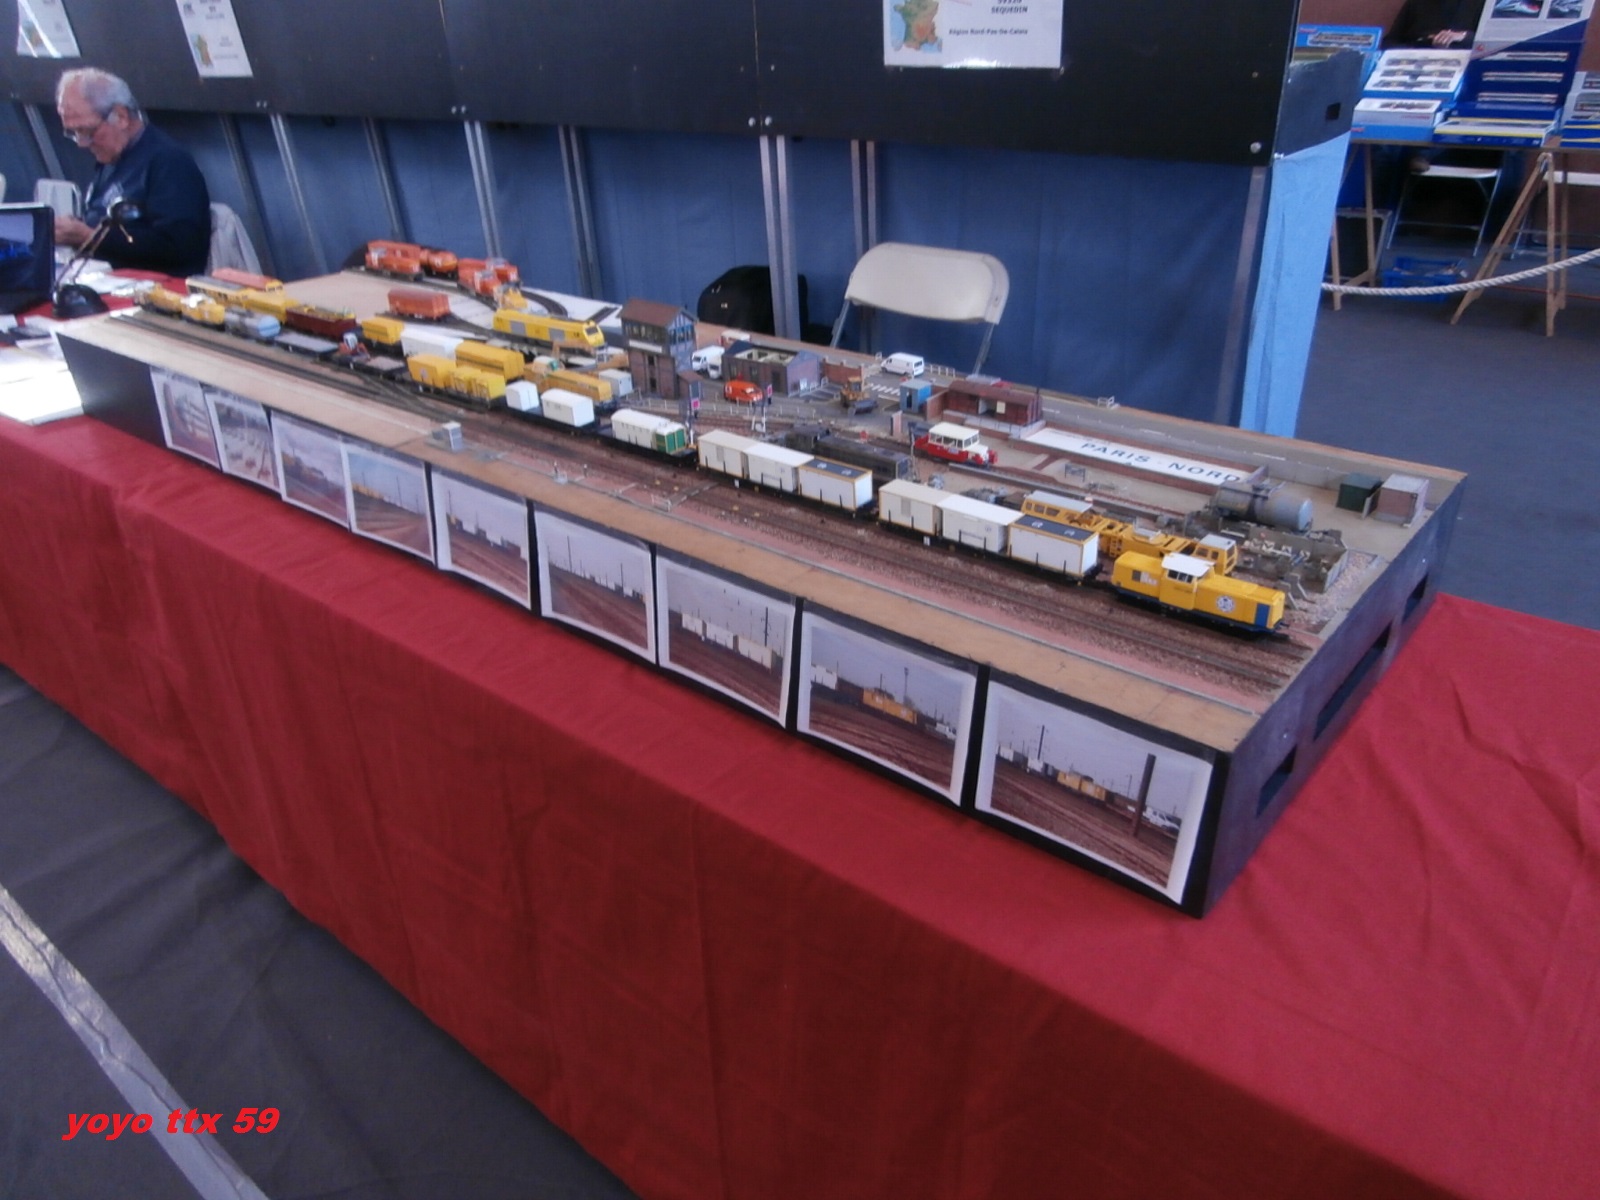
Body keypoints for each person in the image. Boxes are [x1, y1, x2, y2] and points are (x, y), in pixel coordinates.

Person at [53, 68, 211, 277]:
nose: (82, 143)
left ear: (121, 116)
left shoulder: (169, 162)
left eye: (87, 131)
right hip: (102, 277)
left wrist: (90, 237)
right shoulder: (110, 158)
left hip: (158, 284)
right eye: (73, 133)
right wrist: (75, 228)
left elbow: (179, 247)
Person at [1385, 0, 1488, 48]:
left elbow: (1490, 43)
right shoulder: (1416, 3)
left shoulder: (1483, 3)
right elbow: (1389, 42)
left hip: (1463, 64)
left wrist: (1463, 37)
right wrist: (1422, 43)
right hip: (1417, 63)